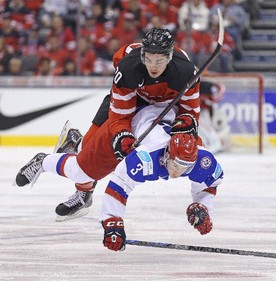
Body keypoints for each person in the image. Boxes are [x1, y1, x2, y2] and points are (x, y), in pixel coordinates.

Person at [15, 28, 201, 222]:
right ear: (143, 54)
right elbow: (120, 117)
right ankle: (82, 190)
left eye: (159, 61)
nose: (153, 66)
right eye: (149, 59)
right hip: (130, 100)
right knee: (89, 149)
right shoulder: (128, 67)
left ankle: (74, 148)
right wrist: (122, 136)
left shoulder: (186, 72)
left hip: (163, 107)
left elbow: (190, 113)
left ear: (169, 57)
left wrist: (185, 123)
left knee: (188, 149)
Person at [15, 107, 224, 251]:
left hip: (155, 114)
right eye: (176, 165)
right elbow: (119, 184)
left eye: (185, 167)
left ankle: (76, 144)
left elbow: (209, 184)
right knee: (81, 171)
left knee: (88, 156)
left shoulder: (201, 159)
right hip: (125, 123)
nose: (178, 172)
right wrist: (112, 222)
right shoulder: (146, 159)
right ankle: (43, 161)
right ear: (167, 154)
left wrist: (203, 206)